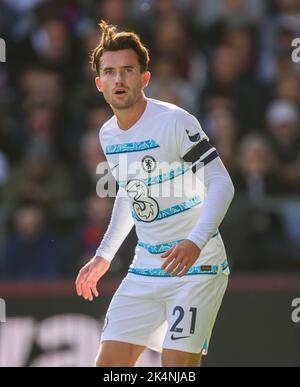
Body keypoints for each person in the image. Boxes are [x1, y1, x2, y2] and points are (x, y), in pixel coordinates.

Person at [75, 20, 235, 367]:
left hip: (198, 264)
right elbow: (130, 194)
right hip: (145, 266)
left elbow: (222, 183)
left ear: (144, 78)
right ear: (100, 83)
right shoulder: (108, 135)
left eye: (128, 71)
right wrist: (104, 255)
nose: (120, 80)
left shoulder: (175, 122)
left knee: (176, 368)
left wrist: (194, 241)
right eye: (111, 72)